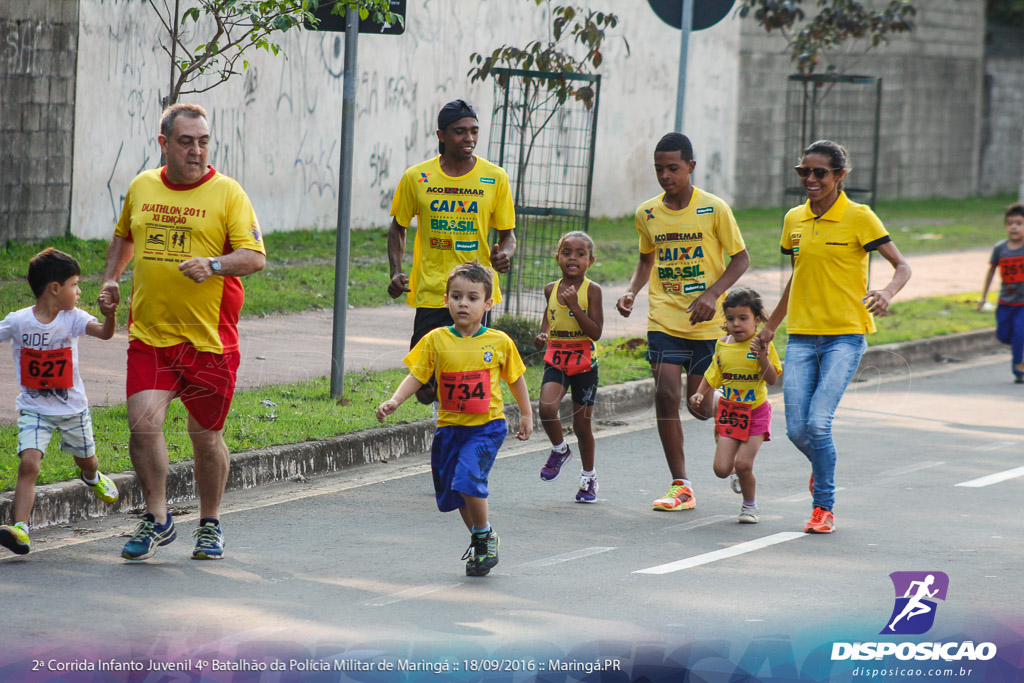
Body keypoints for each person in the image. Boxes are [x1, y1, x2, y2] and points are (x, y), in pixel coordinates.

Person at [100, 103, 266, 561]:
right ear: (164, 144)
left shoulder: (228, 193)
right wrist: (112, 278)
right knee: (142, 424)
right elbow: (124, 235)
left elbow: (254, 256)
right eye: (186, 141)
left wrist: (213, 265)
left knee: (204, 436)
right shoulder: (143, 185)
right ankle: (157, 517)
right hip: (151, 336)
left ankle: (209, 522)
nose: (196, 151)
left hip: (210, 341)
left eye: (203, 141)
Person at [754, 139, 911, 534]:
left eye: (819, 172)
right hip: (803, 336)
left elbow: (902, 266)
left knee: (818, 424)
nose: (810, 179)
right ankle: (822, 468)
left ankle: (823, 506)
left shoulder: (860, 217)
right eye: (803, 171)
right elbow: (799, 275)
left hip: (845, 335)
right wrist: (771, 325)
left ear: (840, 176)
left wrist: (886, 293)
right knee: (795, 429)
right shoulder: (794, 219)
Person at [617, 132, 749, 512]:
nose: (665, 176)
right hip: (665, 316)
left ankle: (735, 420)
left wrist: (712, 294)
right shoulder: (647, 213)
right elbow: (646, 259)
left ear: (690, 167)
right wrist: (632, 291)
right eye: (659, 169)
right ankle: (681, 485)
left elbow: (740, 259)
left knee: (701, 408)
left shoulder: (714, 209)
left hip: (707, 323)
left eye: (673, 168)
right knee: (665, 394)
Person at [376, 262, 532, 576]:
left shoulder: (499, 342)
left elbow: (515, 378)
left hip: (487, 427)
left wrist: (527, 413)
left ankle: (485, 535)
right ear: (446, 300)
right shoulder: (436, 340)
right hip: (450, 428)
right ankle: (481, 537)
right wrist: (395, 400)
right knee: (455, 489)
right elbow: (417, 376)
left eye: (472, 298)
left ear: (488, 304)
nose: (463, 303)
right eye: (456, 296)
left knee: (467, 478)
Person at [386, 99, 517, 404]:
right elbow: (398, 227)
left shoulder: (495, 178)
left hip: (476, 293)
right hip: (433, 291)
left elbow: (508, 236)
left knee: (468, 377)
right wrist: (395, 271)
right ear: (441, 135)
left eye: (474, 131)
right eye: (460, 132)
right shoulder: (417, 177)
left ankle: (458, 437)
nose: (469, 138)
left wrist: (505, 255)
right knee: (424, 387)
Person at [0, 249, 120, 555]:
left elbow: (105, 334)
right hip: (34, 408)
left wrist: (110, 315)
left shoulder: (73, 319)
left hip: (72, 410)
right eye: (75, 284)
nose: (79, 291)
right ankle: (21, 530)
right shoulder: (19, 322)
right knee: (29, 464)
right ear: (55, 288)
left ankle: (92, 477)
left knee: (87, 461)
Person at [689, 288, 780, 524]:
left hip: (756, 412)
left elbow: (772, 379)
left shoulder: (763, 344)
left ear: (757, 320)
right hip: (730, 412)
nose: (736, 324)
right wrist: (699, 394)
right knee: (721, 469)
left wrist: (762, 356)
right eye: (730, 319)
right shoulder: (722, 345)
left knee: (743, 464)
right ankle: (734, 470)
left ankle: (750, 506)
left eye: (743, 318)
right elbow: (713, 373)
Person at [533, 231, 604, 502]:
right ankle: (560, 449)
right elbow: (549, 317)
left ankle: (589, 478)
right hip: (557, 360)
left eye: (580, 254)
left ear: (590, 260)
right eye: (566, 252)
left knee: (582, 426)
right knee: (546, 407)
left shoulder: (592, 291)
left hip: (584, 364)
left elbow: (595, 332)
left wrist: (575, 306)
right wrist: (542, 334)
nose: (572, 258)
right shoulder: (551, 289)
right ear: (557, 258)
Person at [977, 203, 1024, 383]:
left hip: (1023, 304)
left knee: (1020, 333)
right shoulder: (1000, 249)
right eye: (1010, 223)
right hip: (1005, 302)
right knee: (1004, 335)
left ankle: (1019, 371)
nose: (1014, 227)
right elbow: (991, 272)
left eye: (1019, 223)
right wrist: (983, 297)